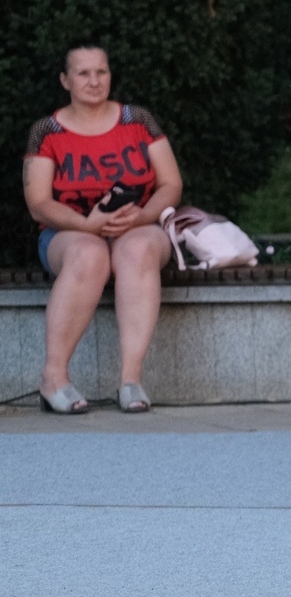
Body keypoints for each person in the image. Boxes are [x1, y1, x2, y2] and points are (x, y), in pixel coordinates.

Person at [23, 43, 182, 414]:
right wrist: (85, 224)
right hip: (68, 233)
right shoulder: (46, 131)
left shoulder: (138, 120)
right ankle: (53, 378)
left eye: (101, 72)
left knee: (138, 249)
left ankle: (131, 380)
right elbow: (38, 203)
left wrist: (142, 216)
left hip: (135, 225)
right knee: (89, 253)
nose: (94, 81)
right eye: (83, 73)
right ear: (65, 80)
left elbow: (171, 184)